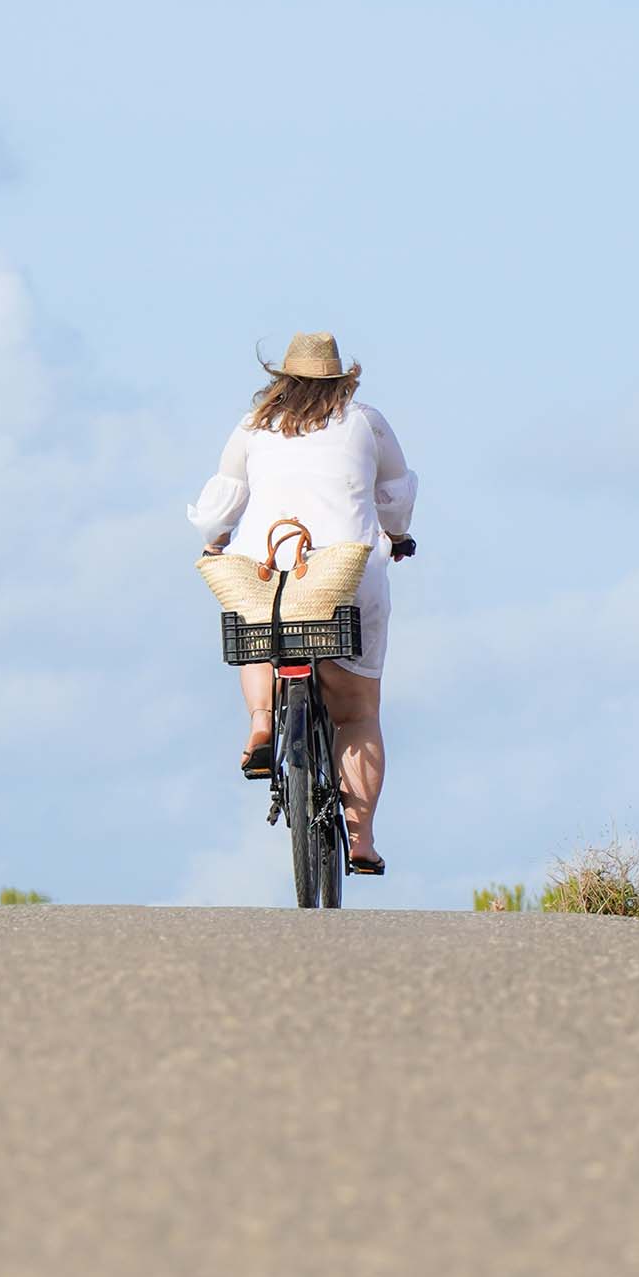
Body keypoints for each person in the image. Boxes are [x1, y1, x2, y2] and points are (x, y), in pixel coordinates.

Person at [188, 332, 417, 876]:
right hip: (345, 579)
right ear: (343, 378)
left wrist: (215, 542)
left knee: (257, 630)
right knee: (357, 713)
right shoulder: (367, 421)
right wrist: (400, 536)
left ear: (280, 378)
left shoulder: (253, 426)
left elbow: (224, 497)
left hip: (272, 576)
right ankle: (360, 842)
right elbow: (394, 496)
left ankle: (262, 724)